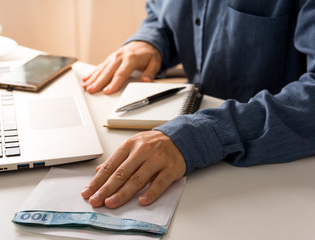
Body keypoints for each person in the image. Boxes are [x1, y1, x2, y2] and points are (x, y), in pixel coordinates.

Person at [81, 0, 315, 209]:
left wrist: (199, 136)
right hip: (188, 148)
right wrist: (151, 39)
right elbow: (160, 12)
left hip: (277, 179)